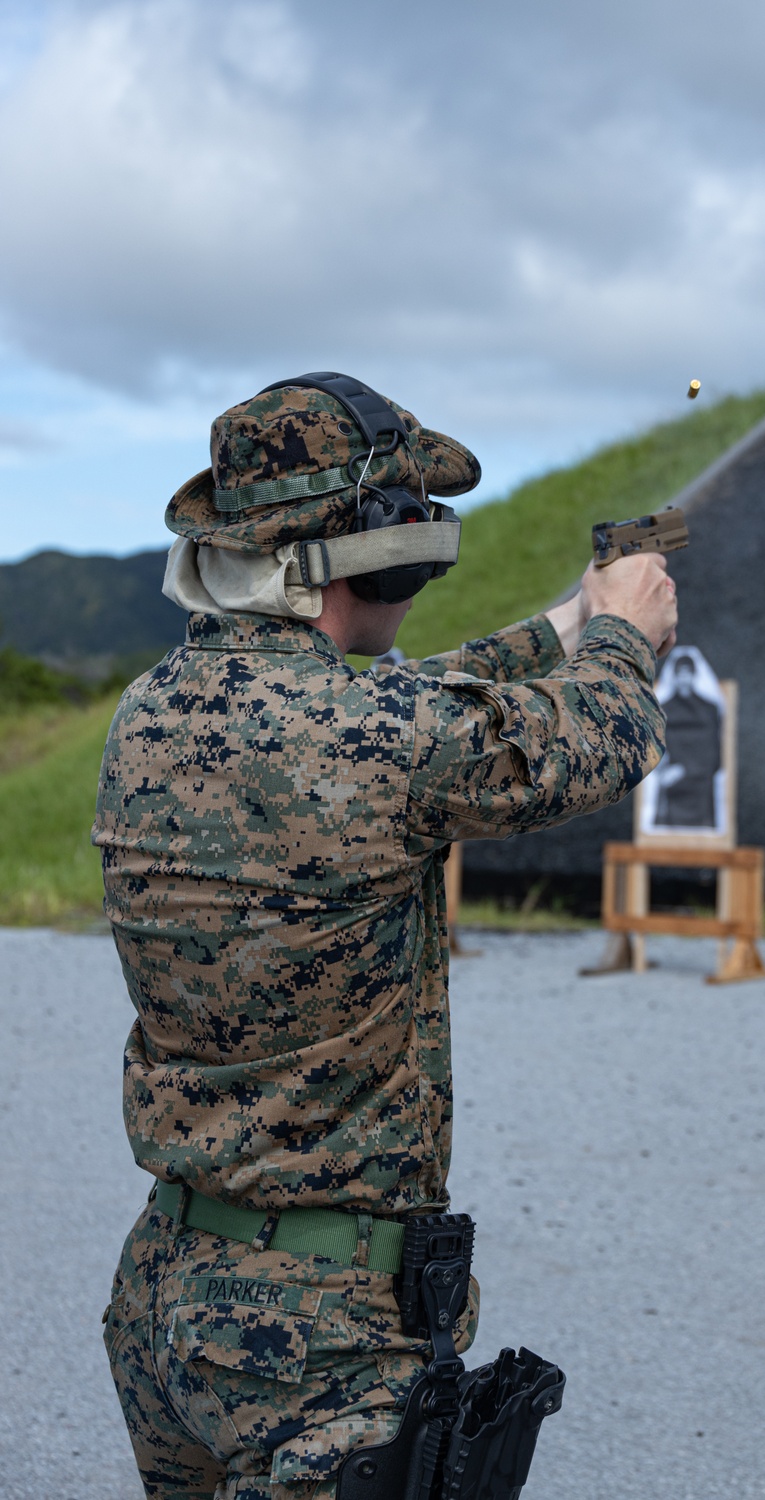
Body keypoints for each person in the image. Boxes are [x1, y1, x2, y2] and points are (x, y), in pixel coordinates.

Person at [93, 372, 678, 1500]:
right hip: (320, 1335)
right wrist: (618, 639)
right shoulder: (382, 743)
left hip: (167, 1287)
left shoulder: (154, 712)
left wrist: (560, 623)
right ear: (372, 550)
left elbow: (406, 711)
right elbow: (588, 745)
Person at [653, 652, 721, 829]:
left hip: (700, 788)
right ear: (674, 676)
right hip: (672, 790)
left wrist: (685, 769)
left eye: (687, 674)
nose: (684, 679)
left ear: (693, 675)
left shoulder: (708, 710)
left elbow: (715, 755)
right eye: (680, 674)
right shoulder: (664, 710)